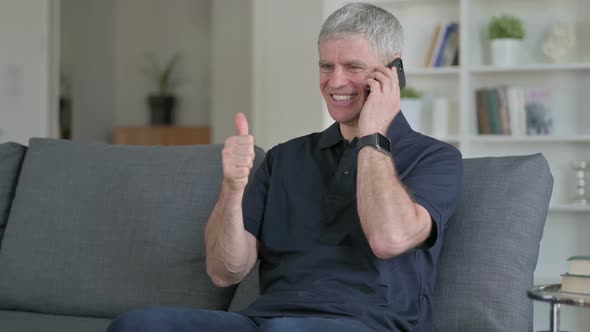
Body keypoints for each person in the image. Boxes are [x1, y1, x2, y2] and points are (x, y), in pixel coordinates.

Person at [107, 2, 462, 332]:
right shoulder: (284, 158)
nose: (335, 82)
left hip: (367, 324)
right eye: (326, 66)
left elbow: (389, 239)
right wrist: (232, 188)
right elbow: (224, 271)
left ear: (392, 71)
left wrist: (371, 135)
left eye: (353, 67)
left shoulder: (434, 158)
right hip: (267, 321)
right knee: (137, 324)